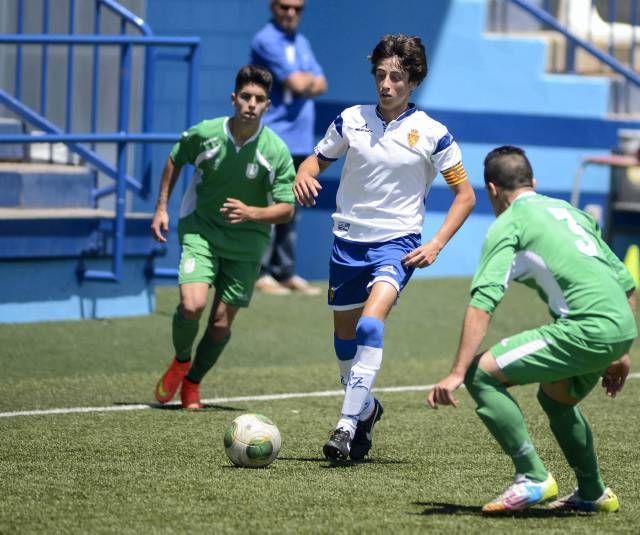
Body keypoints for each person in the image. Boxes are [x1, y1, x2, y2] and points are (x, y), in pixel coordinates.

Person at [293, 34, 476, 461]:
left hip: (397, 244)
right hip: (347, 243)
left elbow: (465, 195)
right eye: (380, 75)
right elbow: (315, 160)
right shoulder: (350, 119)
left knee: (369, 327)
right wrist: (303, 174)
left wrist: (435, 243)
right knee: (343, 343)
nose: (386, 84)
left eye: (396, 76)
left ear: (412, 81)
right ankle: (367, 409)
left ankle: (344, 425)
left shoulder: (433, 133)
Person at [427, 146, 637, 514]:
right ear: (533, 182)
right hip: (620, 327)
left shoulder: (508, 223)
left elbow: (483, 301)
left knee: (481, 375)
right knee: (556, 397)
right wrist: (620, 350)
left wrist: (458, 372)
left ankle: (532, 475)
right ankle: (593, 492)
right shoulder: (570, 211)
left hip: (587, 329)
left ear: (492, 190)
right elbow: (625, 283)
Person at [150, 65, 296, 409]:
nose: (251, 104)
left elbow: (287, 208)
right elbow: (176, 157)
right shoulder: (206, 134)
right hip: (202, 231)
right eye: (245, 96)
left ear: (267, 106)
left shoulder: (275, 151)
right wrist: (161, 208)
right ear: (234, 99)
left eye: (259, 99)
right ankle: (182, 359)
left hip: (247, 245)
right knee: (192, 305)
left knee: (218, 325)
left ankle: (192, 383)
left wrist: (252, 213)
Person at [250, 0, 327, 296]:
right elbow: (297, 83)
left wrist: (306, 82)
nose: (291, 13)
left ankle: (285, 272)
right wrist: (305, 81)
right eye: (285, 6)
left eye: (297, 8)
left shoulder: (302, 42)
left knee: (292, 207)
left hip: (300, 140)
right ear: (273, 7)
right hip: (273, 136)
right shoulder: (266, 39)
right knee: (270, 204)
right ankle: (261, 272)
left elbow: (322, 84)